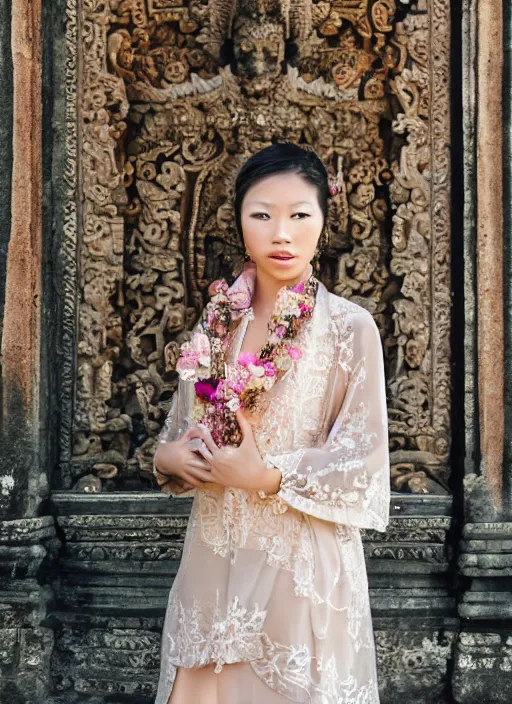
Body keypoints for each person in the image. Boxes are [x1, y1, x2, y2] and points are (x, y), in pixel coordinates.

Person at [152, 143, 390, 704]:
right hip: (214, 550)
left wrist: (265, 476)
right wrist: (167, 459)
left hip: (298, 558)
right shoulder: (216, 323)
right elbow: (183, 427)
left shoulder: (348, 329)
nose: (281, 233)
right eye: (262, 214)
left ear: (323, 221)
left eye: (299, 215)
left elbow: (364, 459)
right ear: (239, 221)